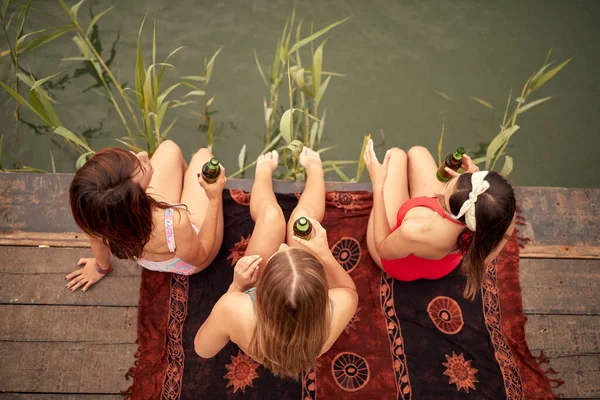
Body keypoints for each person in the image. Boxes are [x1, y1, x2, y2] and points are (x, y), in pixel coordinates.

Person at [194, 147, 358, 378]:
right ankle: (315, 170)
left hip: (258, 342)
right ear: (321, 291)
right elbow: (348, 289)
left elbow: (202, 349)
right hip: (307, 342)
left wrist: (237, 287)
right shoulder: (338, 308)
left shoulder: (233, 309)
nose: (283, 246)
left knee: (271, 215)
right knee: (303, 221)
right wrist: (323, 254)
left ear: (263, 289)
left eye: (278, 255)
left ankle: (263, 172)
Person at [364, 139, 516, 299]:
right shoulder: (499, 216)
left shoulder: (417, 229)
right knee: (418, 151)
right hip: (441, 267)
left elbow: (382, 248)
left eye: (445, 198)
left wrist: (378, 185)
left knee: (395, 155)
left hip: (401, 266)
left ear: (458, 210)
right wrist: (471, 178)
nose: (437, 194)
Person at [66, 140, 225, 292]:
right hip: (191, 261)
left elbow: (98, 243)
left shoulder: (97, 218)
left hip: (153, 256)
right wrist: (214, 197)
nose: (142, 154)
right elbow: (201, 255)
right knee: (203, 156)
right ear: (137, 196)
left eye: (132, 157)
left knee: (169, 148)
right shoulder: (175, 222)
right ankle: (192, 179)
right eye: (140, 166)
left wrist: (101, 267)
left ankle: (187, 180)